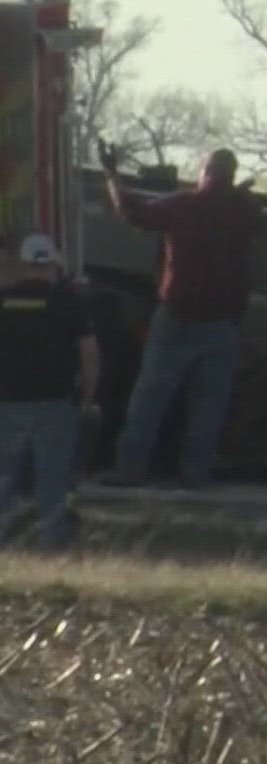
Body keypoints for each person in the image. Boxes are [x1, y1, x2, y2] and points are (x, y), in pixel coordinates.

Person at [96, 141, 265, 488]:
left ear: (204, 173)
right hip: (223, 322)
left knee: (151, 396)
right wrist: (239, 194)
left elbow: (134, 213)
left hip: (178, 316)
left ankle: (131, 469)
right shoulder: (246, 211)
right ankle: (195, 473)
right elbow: (254, 220)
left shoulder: (186, 205)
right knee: (209, 404)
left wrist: (112, 174)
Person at [0, 234, 99, 551]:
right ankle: (51, 544)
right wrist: (87, 397)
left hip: (7, 402)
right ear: (54, 263)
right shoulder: (69, 302)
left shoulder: (3, 299)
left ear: (24, 264)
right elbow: (89, 353)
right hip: (55, 402)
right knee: (52, 477)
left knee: (3, 474)